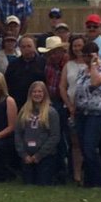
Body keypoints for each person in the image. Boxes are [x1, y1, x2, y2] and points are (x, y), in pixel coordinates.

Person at [73, 41, 101, 187]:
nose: (86, 58)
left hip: (96, 114)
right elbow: (79, 91)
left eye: (89, 55)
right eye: (84, 55)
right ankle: (89, 180)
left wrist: (94, 65)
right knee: (83, 147)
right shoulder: (82, 71)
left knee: (90, 147)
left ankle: (99, 180)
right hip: (82, 113)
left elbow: (95, 83)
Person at [14, 81, 61, 185]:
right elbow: (18, 133)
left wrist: (38, 155)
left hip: (44, 155)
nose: (37, 94)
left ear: (45, 94)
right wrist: (23, 154)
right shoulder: (23, 111)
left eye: (40, 91)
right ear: (30, 94)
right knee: (28, 183)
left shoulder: (51, 112)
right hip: (27, 155)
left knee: (42, 183)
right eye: (34, 92)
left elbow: (55, 136)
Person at [60, 33, 88, 184]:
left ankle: (90, 172)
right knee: (75, 143)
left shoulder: (93, 63)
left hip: (89, 109)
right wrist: (69, 105)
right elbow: (62, 87)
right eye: (75, 46)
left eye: (80, 46)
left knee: (89, 142)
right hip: (71, 109)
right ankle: (76, 175)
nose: (78, 49)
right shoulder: (68, 65)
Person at [41, 35, 69, 182]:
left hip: (66, 104)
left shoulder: (68, 64)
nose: (53, 55)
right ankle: (57, 169)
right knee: (53, 137)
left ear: (61, 51)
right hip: (51, 103)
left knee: (66, 138)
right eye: (50, 53)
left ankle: (66, 171)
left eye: (56, 52)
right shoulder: (47, 64)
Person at [5, 35, 46, 110]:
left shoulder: (43, 63)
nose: (26, 49)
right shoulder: (13, 65)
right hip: (17, 104)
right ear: (19, 48)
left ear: (35, 47)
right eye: (23, 47)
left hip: (39, 104)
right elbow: (7, 84)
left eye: (29, 46)